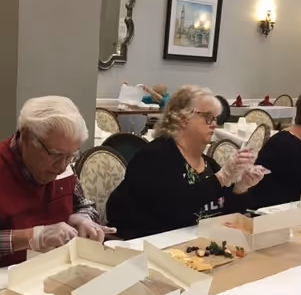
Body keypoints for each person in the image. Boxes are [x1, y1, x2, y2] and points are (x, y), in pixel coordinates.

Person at [0, 96, 114, 274]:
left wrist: (83, 218)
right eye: (55, 155)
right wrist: (31, 237)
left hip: (55, 272)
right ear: (27, 137)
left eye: (71, 156)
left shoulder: (63, 166)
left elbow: (84, 205)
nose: (62, 167)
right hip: (2, 282)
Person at [107, 85, 264, 240]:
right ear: (182, 119)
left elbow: (229, 216)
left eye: (215, 118)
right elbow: (175, 212)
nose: (214, 124)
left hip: (198, 246)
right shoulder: (154, 157)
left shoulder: (208, 164)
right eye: (207, 117)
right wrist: (222, 178)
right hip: (152, 248)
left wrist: (240, 188)